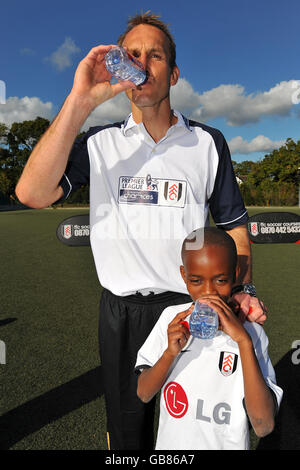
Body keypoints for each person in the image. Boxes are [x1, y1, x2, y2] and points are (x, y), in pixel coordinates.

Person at [15, 12, 267, 450]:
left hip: (189, 311)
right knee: (128, 437)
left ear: (173, 72)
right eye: (132, 55)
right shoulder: (99, 141)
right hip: (121, 315)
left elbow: (235, 231)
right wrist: (79, 99)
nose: (143, 64)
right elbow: (32, 193)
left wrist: (243, 288)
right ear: (119, 68)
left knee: (191, 435)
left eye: (155, 55)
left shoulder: (208, 142)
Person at [135, 227, 282, 450]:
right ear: (184, 275)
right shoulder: (170, 321)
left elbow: (263, 425)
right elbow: (144, 393)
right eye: (196, 281)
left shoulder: (251, 334)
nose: (208, 292)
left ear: (235, 274)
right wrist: (169, 353)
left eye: (220, 280)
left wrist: (243, 343)